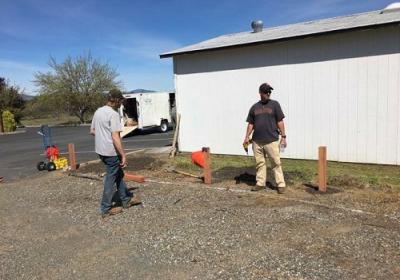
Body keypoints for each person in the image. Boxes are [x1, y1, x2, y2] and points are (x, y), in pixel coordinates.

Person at [90, 89, 141, 218]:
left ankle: (125, 200)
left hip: (101, 151)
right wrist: (123, 155)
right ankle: (105, 208)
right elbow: (115, 137)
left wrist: (103, 137)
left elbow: (92, 131)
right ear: (116, 100)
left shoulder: (98, 111)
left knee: (118, 174)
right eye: (121, 101)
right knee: (111, 178)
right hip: (111, 151)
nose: (122, 103)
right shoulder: (113, 114)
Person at [243, 83, 287, 194]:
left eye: (269, 92)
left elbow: (280, 121)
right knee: (259, 163)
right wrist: (247, 137)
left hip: (271, 140)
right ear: (260, 93)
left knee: (276, 163)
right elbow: (250, 124)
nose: (268, 93)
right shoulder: (254, 107)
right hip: (257, 141)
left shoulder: (275, 105)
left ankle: (280, 184)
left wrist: (283, 137)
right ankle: (260, 183)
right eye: (266, 92)